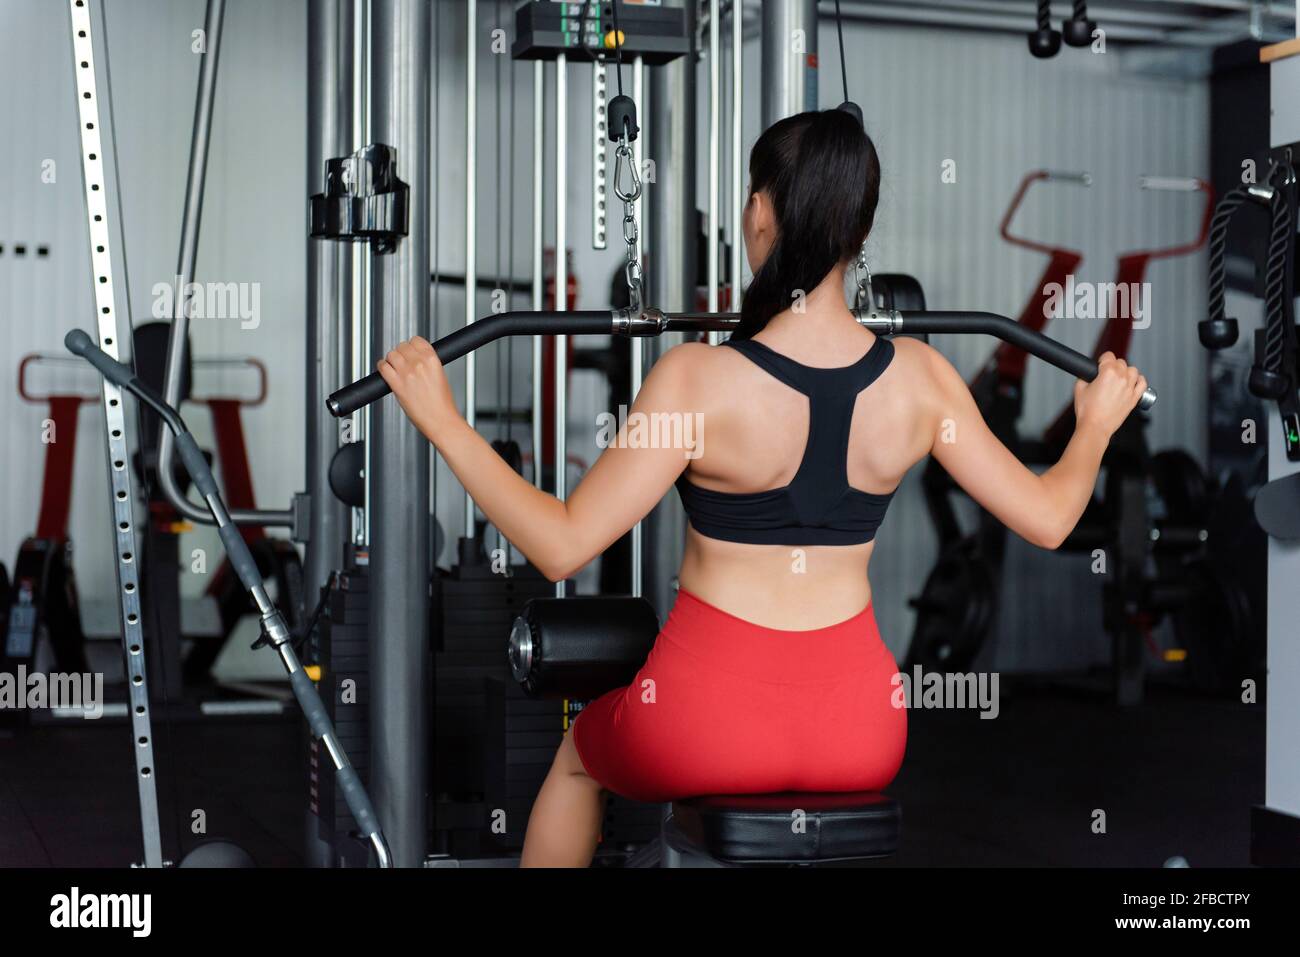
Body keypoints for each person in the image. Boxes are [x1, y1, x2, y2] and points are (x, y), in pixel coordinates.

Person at [376, 109, 1148, 867]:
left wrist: (444, 422)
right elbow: (1051, 519)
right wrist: (1094, 425)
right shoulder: (923, 379)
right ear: (859, 229)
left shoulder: (695, 379)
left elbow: (560, 544)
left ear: (759, 212)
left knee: (580, 757)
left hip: (701, 723)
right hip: (861, 730)